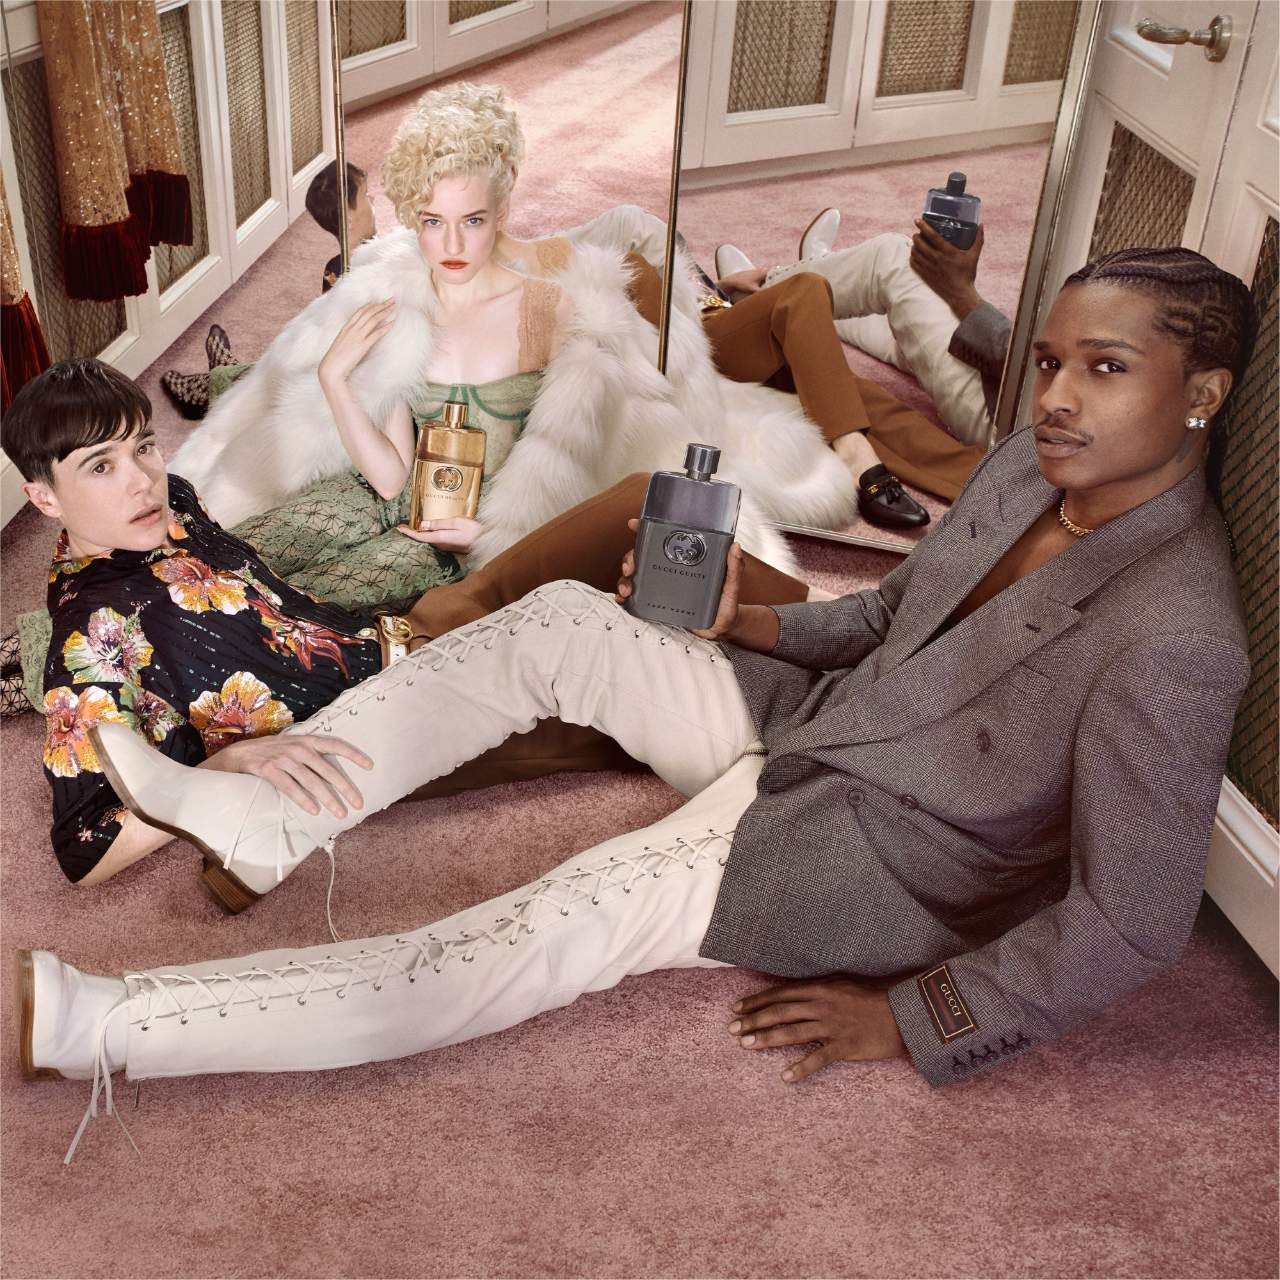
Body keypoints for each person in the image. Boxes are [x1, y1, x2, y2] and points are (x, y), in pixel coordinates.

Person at [18, 247, 1254, 1148]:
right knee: (560, 616)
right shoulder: (1023, 471)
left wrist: (919, 1017)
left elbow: (1132, 919)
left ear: (1200, 391)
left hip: (877, 850)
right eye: (1048, 362)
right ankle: (263, 819)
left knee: (539, 923)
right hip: (805, 721)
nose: (1054, 397)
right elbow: (885, 619)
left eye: (1103, 369)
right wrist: (746, 622)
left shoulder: (1178, 638)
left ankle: (109, 1024)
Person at [1, 358, 811, 898]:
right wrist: (225, 764)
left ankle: (827, 633)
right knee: (659, 683)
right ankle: (834, 710)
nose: (141, 480)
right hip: (401, 720)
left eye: (142, 447)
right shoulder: (91, 636)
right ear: (42, 497)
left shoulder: (170, 500)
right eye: (100, 467)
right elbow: (85, 849)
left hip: (414, 626)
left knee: (642, 501)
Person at [716, 207, 1009, 448]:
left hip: (1004, 420)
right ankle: (818, 278)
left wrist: (963, 295)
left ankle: (758, 298)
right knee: (910, 322)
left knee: (892, 258)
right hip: (1007, 387)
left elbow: (1016, 357)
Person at [157, 161, 376, 419]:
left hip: (341, 376)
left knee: (270, 373)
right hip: (326, 379)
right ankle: (217, 382)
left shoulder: (343, 267)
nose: (373, 200)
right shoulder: (344, 271)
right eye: (366, 196)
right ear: (348, 218)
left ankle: (214, 381)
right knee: (273, 376)